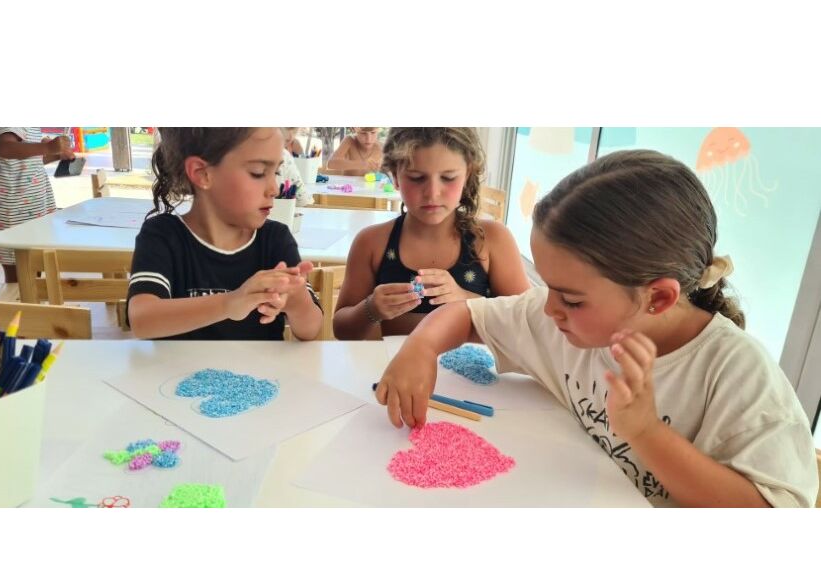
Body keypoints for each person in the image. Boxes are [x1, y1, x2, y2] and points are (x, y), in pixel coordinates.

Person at [375, 149, 818, 508]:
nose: (550, 308)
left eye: (571, 299)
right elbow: (468, 314)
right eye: (548, 287)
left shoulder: (736, 373)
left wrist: (646, 432)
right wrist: (422, 347)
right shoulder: (562, 323)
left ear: (658, 297)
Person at [126, 127, 323, 341]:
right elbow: (142, 320)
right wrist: (229, 304)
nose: (274, 189)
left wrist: (296, 299)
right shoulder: (163, 235)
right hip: (178, 365)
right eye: (258, 172)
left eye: (275, 172)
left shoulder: (275, 239)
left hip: (259, 364)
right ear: (202, 174)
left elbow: (311, 331)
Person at [333, 127, 530, 339]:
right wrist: (371, 309)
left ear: (467, 175)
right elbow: (342, 330)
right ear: (395, 177)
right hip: (395, 361)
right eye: (417, 178)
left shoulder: (491, 240)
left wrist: (466, 301)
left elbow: (526, 323)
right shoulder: (372, 243)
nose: (432, 193)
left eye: (448, 177)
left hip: (475, 361)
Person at [0, 127, 73, 283]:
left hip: (31, 208)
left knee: (33, 268)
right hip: (15, 210)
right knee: (20, 275)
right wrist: (47, 147)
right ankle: (23, 299)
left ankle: (31, 298)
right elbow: (5, 148)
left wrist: (55, 154)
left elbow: (28, 159)